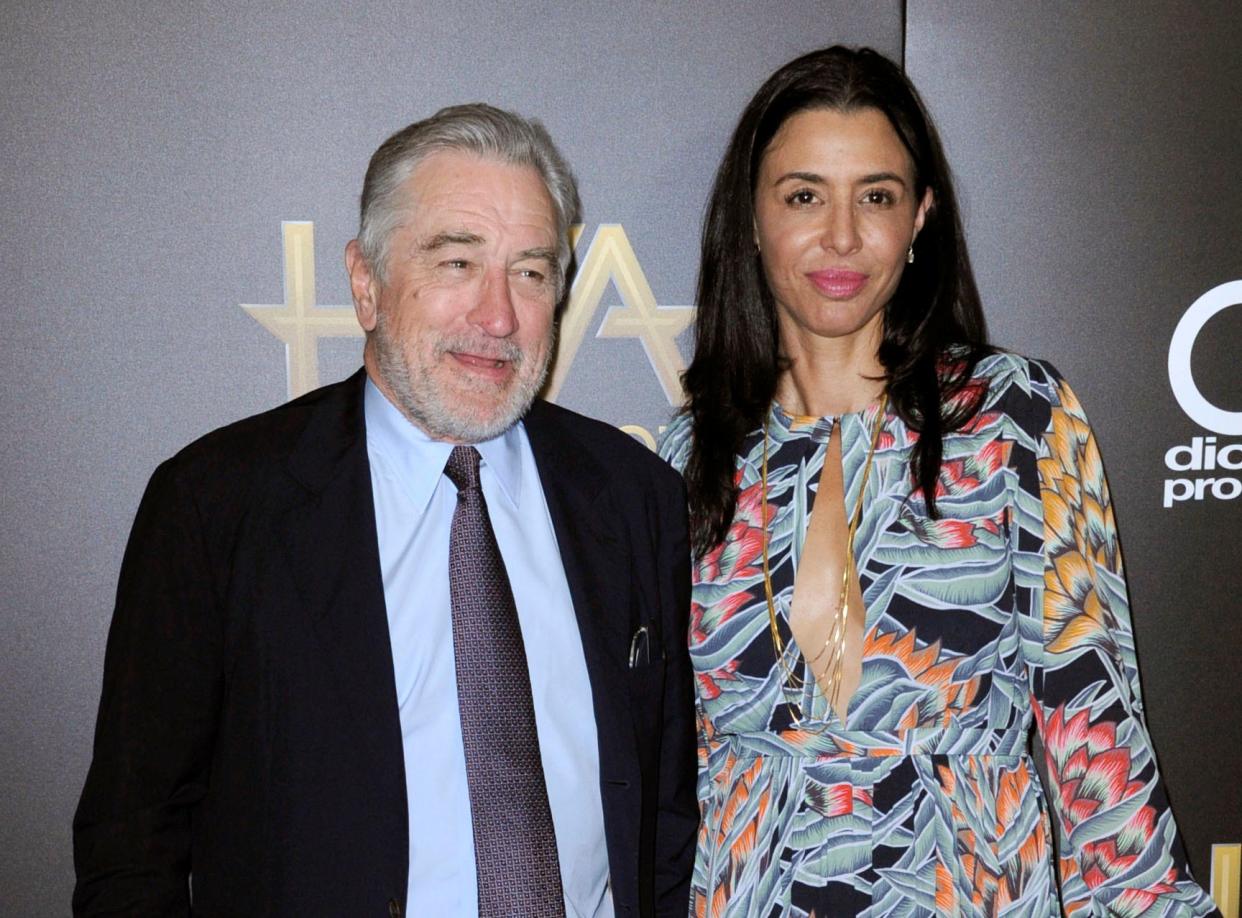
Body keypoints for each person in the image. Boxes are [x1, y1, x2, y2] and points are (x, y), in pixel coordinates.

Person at [73, 103, 698, 917]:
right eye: (456, 264)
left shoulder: (633, 495)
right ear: (366, 284)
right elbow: (133, 849)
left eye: (532, 272)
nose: (499, 316)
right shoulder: (217, 505)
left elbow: (664, 821)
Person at [659, 47, 1220, 917]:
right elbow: (668, 767)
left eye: (875, 196)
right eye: (804, 195)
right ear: (752, 217)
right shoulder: (687, 454)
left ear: (919, 216)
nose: (841, 236)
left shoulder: (1010, 418)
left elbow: (1094, 733)